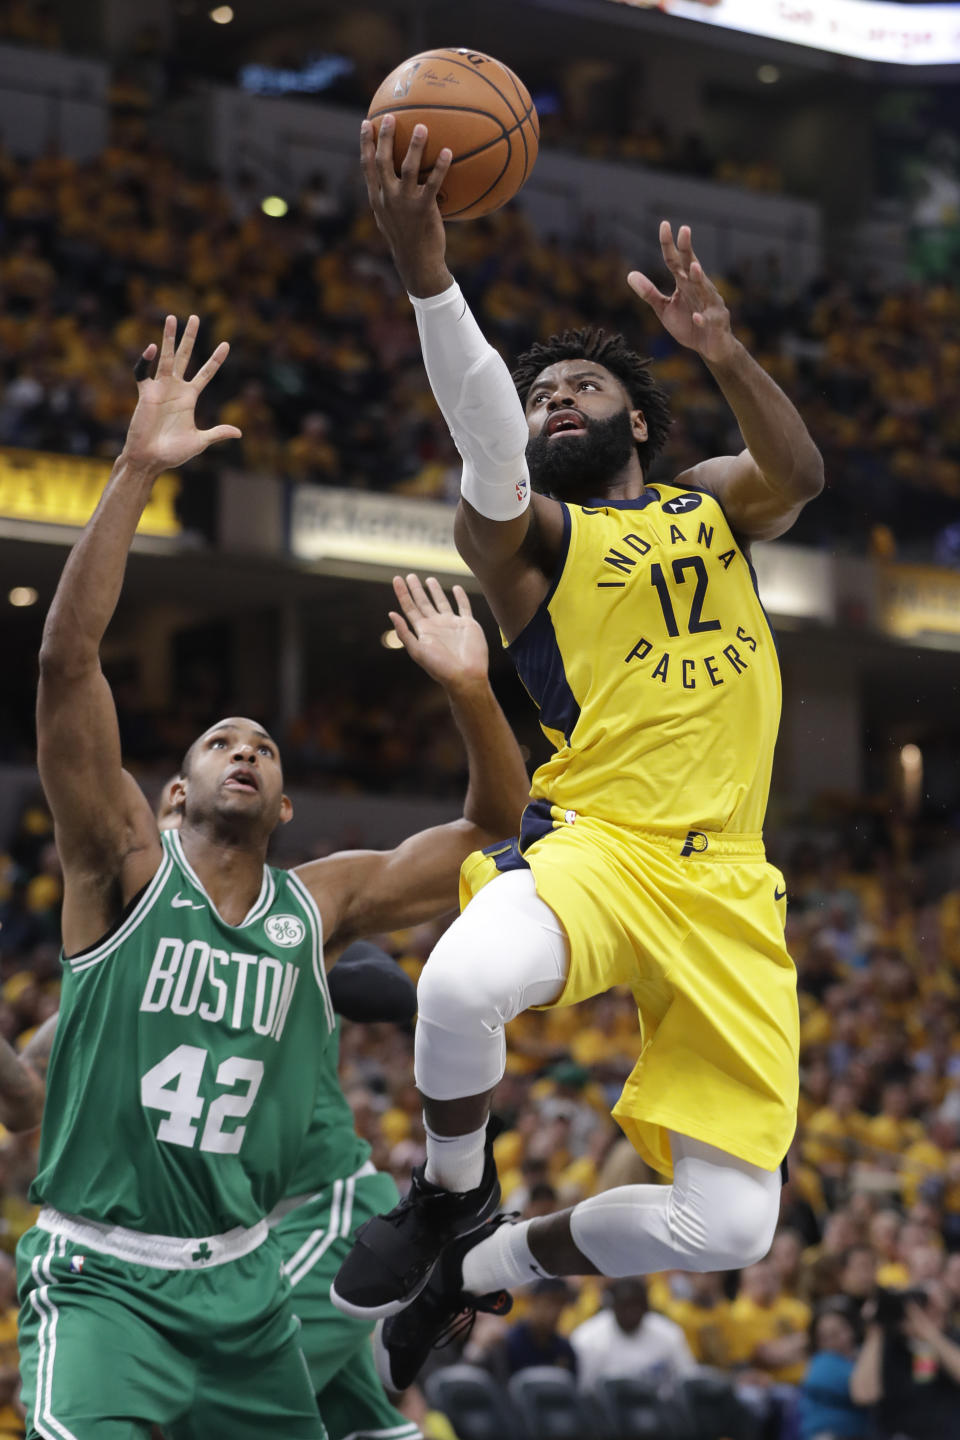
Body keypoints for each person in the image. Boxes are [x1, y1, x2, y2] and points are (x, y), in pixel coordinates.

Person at [333, 116, 825, 1392]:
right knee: (453, 988)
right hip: (601, 846)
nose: (556, 403)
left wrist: (722, 349)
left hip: (728, 884)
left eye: (583, 390)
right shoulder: (523, 548)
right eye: (544, 390)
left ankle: (478, 1270)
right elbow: (487, 441)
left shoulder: (711, 504)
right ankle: (449, 1196)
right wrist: (429, 273)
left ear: (640, 424)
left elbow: (801, 471)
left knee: (731, 1226)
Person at [16, 313, 529, 1440]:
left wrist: (471, 691)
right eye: (218, 742)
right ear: (170, 794)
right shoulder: (121, 867)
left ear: (285, 807)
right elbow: (66, 663)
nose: (244, 748)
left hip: (245, 1287)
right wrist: (137, 468)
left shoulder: (324, 899)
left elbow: (495, 825)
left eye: (263, 747)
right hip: (105, 1277)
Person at [850, 1282, 960, 1439]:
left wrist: (929, 1333)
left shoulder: (953, 1339)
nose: (922, 1312)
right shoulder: (885, 1345)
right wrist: (876, 1329)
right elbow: (863, 1394)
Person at [570, 1277, 695, 1391]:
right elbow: (583, 1391)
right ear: (612, 1306)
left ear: (646, 1307)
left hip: (658, 1409)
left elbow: (687, 1379)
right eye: (624, 1306)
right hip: (607, 1411)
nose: (630, 1313)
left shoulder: (669, 1333)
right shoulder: (587, 1338)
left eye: (636, 1306)